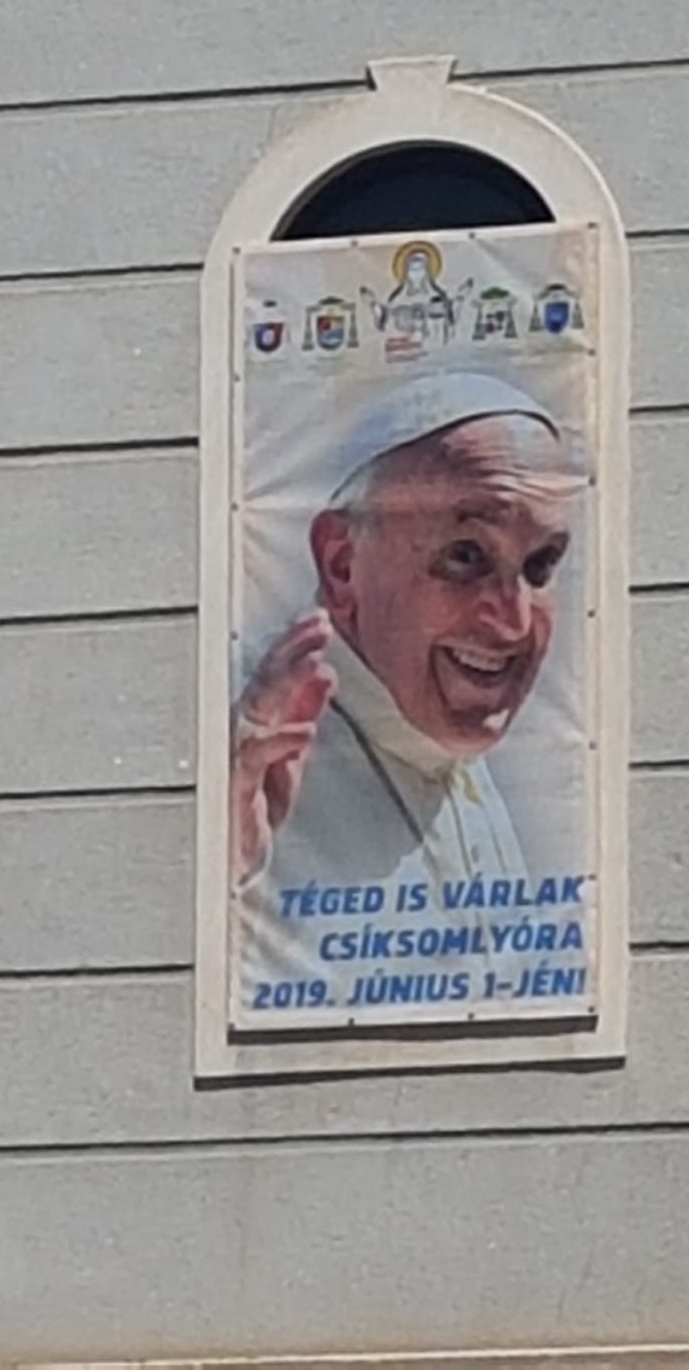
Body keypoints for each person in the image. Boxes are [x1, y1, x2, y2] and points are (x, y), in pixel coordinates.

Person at [231, 371, 583, 1016]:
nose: (512, 622)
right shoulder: (245, 746)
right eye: (465, 556)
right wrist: (216, 864)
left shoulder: (437, 734)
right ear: (342, 564)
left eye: (540, 566)